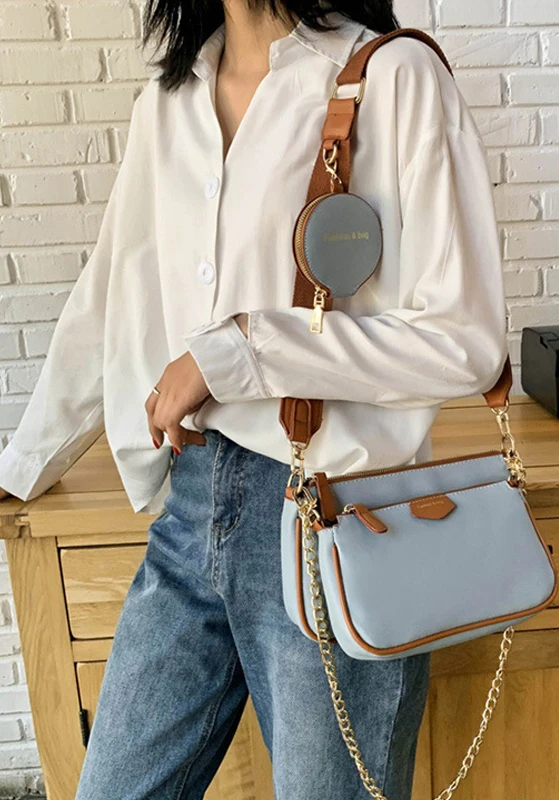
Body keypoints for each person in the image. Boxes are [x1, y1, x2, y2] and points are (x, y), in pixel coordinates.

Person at [0, 0, 509, 797]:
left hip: (333, 523)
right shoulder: (169, 100)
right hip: (191, 507)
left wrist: (241, 351)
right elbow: (109, 296)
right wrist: (24, 463)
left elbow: (465, 342)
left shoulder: (393, 76)